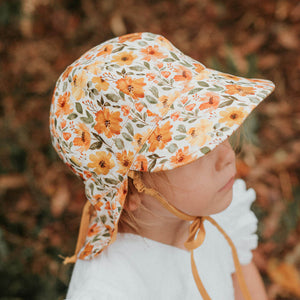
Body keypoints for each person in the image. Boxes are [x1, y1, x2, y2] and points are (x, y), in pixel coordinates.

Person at [49, 32, 275, 300]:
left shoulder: (215, 208)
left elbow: (243, 280)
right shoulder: (111, 290)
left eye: (214, 129)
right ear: (131, 192)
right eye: (193, 149)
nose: (226, 156)